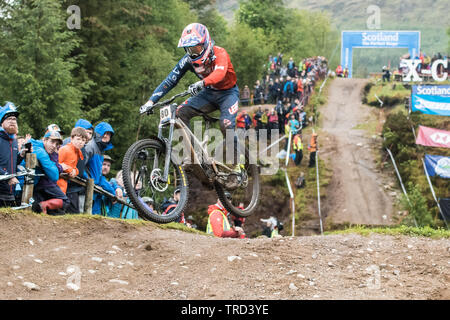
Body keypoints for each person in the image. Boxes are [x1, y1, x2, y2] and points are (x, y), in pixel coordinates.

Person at [141, 23, 242, 177]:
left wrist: (202, 83)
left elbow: (219, 74)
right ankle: (194, 156)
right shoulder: (187, 61)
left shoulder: (220, 53)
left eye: (196, 48)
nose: (193, 53)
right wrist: (150, 102)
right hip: (208, 93)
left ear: (206, 43)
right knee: (180, 113)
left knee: (226, 124)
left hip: (228, 94)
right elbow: (170, 80)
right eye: (189, 49)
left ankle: (236, 166)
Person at [31, 131, 69, 214]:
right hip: (39, 184)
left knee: (40, 209)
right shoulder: (40, 151)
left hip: (36, 185)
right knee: (65, 201)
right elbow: (54, 174)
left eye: (56, 144)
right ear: (44, 140)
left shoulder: (47, 151)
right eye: (52, 142)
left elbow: (54, 167)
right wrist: (60, 167)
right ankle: (44, 205)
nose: (53, 146)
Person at [84, 122, 117, 215]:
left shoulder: (100, 151)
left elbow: (99, 176)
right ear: (98, 133)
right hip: (85, 188)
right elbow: (80, 167)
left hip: (95, 191)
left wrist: (112, 193)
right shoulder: (90, 147)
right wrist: (87, 180)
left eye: (109, 134)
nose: (106, 136)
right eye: (104, 133)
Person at [63, 119, 94, 213]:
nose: (88, 136)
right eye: (86, 132)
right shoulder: (67, 147)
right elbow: (59, 163)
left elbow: (78, 169)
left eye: (90, 133)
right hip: (68, 186)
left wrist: (75, 171)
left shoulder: (81, 148)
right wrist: (70, 171)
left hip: (73, 185)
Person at [0, 102, 22, 207]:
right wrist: (7, 177)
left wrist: (21, 155)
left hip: (10, 191)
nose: (12, 121)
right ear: (1, 122)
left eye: (14, 119)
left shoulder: (13, 140)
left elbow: (12, 163)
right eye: (9, 119)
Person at [57, 127, 88, 197]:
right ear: (71, 139)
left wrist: (75, 171)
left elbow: (74, 167)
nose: (80, 142)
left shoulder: (78, 153)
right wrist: (70, 170)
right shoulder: (65, 149)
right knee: (62, 203)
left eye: (83, 140)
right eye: (78, 139)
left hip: (64, 184)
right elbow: (56, 164)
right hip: (57, 182)